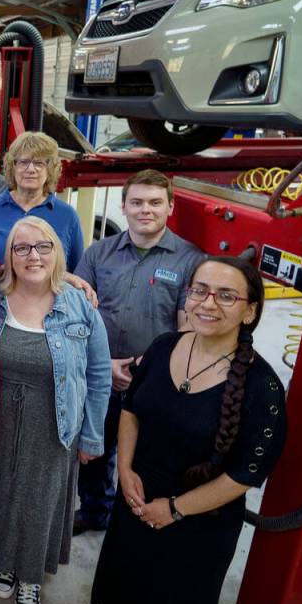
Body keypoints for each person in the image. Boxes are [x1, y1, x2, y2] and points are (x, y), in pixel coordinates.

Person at [91, 256, 287, 604]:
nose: (207, 303)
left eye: (226, 295)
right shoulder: (165, 346)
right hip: (138, 500)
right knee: (132, 594)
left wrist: (176, 509)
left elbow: (246, 474)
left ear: (250, 310)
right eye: (199, 290)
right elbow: (131, 408)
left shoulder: (262, 388)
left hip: (197, 525)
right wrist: (124, 469)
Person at [0, 216, 110, 604]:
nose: (33, 256)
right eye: (22, 248)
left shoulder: (78, 303)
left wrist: (92, 438)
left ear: (57, 252)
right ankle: (6, 563)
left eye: (43, 246)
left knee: (38, 502)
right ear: (7, 257)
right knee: (0, 494)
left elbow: (99, 374)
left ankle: (30, 576)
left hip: (55, 423)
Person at [72, 170, 204, 535]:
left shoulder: (191, 261)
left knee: (145, 459)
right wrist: (104, 363)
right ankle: (95, 510)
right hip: (100, 373)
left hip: (155, 381)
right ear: (124, 206)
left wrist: (150, 366)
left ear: (170, 207)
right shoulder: (99, 252)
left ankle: (134, 520)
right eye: (137, 202)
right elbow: (77, 312)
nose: (146, 210)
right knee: (94, 450)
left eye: (155, 202)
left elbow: (189, 329)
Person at [0, 131, 83, 270]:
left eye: (39, 163)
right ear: (13, 167)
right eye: (23, 162)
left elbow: (77, 271)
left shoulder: (67, 215)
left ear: (50, 169)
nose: (31, 169)